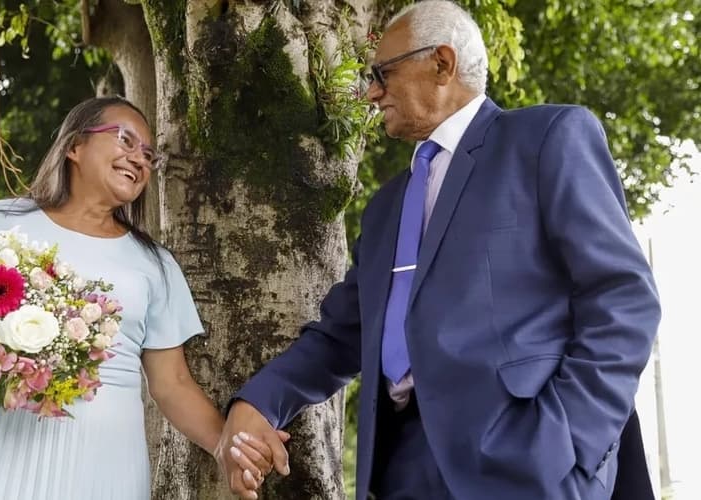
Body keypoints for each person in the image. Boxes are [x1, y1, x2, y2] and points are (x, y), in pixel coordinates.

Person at [217, 2, 661, 499]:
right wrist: (258, 403)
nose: (371, 92)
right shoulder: (385, 208)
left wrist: (566, 441)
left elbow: (623, 299)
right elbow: (343, 334)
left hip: (526, 465)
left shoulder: (544, 140)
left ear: (442, 64)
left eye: (382, 73)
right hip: (400, 473)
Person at [0, 96, 268, 499]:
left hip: (106, 465)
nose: (139, 159)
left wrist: (225, 448)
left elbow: (173, 384)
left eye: (148, 155)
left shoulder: (156, 265)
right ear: (75, 146)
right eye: (125, 140)